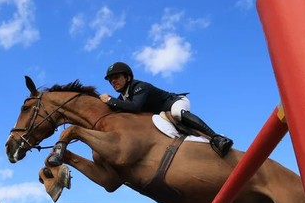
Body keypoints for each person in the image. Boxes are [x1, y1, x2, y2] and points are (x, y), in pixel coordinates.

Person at [100, 62, 233, 157]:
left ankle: (217, 138)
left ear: (127, 77)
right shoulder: (123, 97)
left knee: (177, 113)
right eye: (110, 80)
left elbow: (136, 107)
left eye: (116, 77)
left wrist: (111, 100)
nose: (113, 81)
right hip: (162, 115)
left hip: (175, 103)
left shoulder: (140, 87)